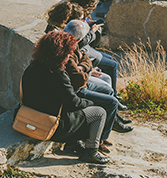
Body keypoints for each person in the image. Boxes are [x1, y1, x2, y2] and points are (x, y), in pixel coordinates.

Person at [21, 31, 109, 164]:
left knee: (75, 112)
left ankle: (73, 144)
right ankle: (91, 152)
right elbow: (73, 103)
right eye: (68, 53)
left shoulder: (31, 68)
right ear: (60, 52)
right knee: (99, 112)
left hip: (30, 115)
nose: (69, 56)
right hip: (52, 125)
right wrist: (89, 102)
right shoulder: (57, 74)